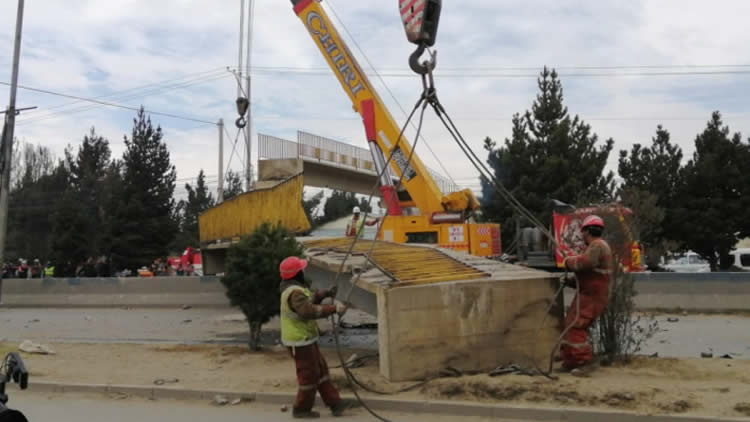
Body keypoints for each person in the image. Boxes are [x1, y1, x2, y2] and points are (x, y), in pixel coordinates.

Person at [278, 256, 349, 419]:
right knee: (309, 375)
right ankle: (301, 409)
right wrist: (334, 308)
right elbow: (307, 311)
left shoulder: (296, 289)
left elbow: (308, 301)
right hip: (299, 341)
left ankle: (335, 403)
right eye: (301, 270)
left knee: (321, 370)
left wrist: (324, 294)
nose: (304, 271)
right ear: (297, 274)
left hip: (306, 339)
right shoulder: (294, 293)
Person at [560, 215, 612, 377]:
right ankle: (571, 361)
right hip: (590, 294)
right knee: (570, 323)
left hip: (592, 296)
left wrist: (568, 261)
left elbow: (585, 263)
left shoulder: (597, 245)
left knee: (576, 325)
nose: (582, 236)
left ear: (587, 231)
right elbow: (591, 275)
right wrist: (571, 282)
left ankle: (583, 363)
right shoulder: (598, 246)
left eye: (583, 232)